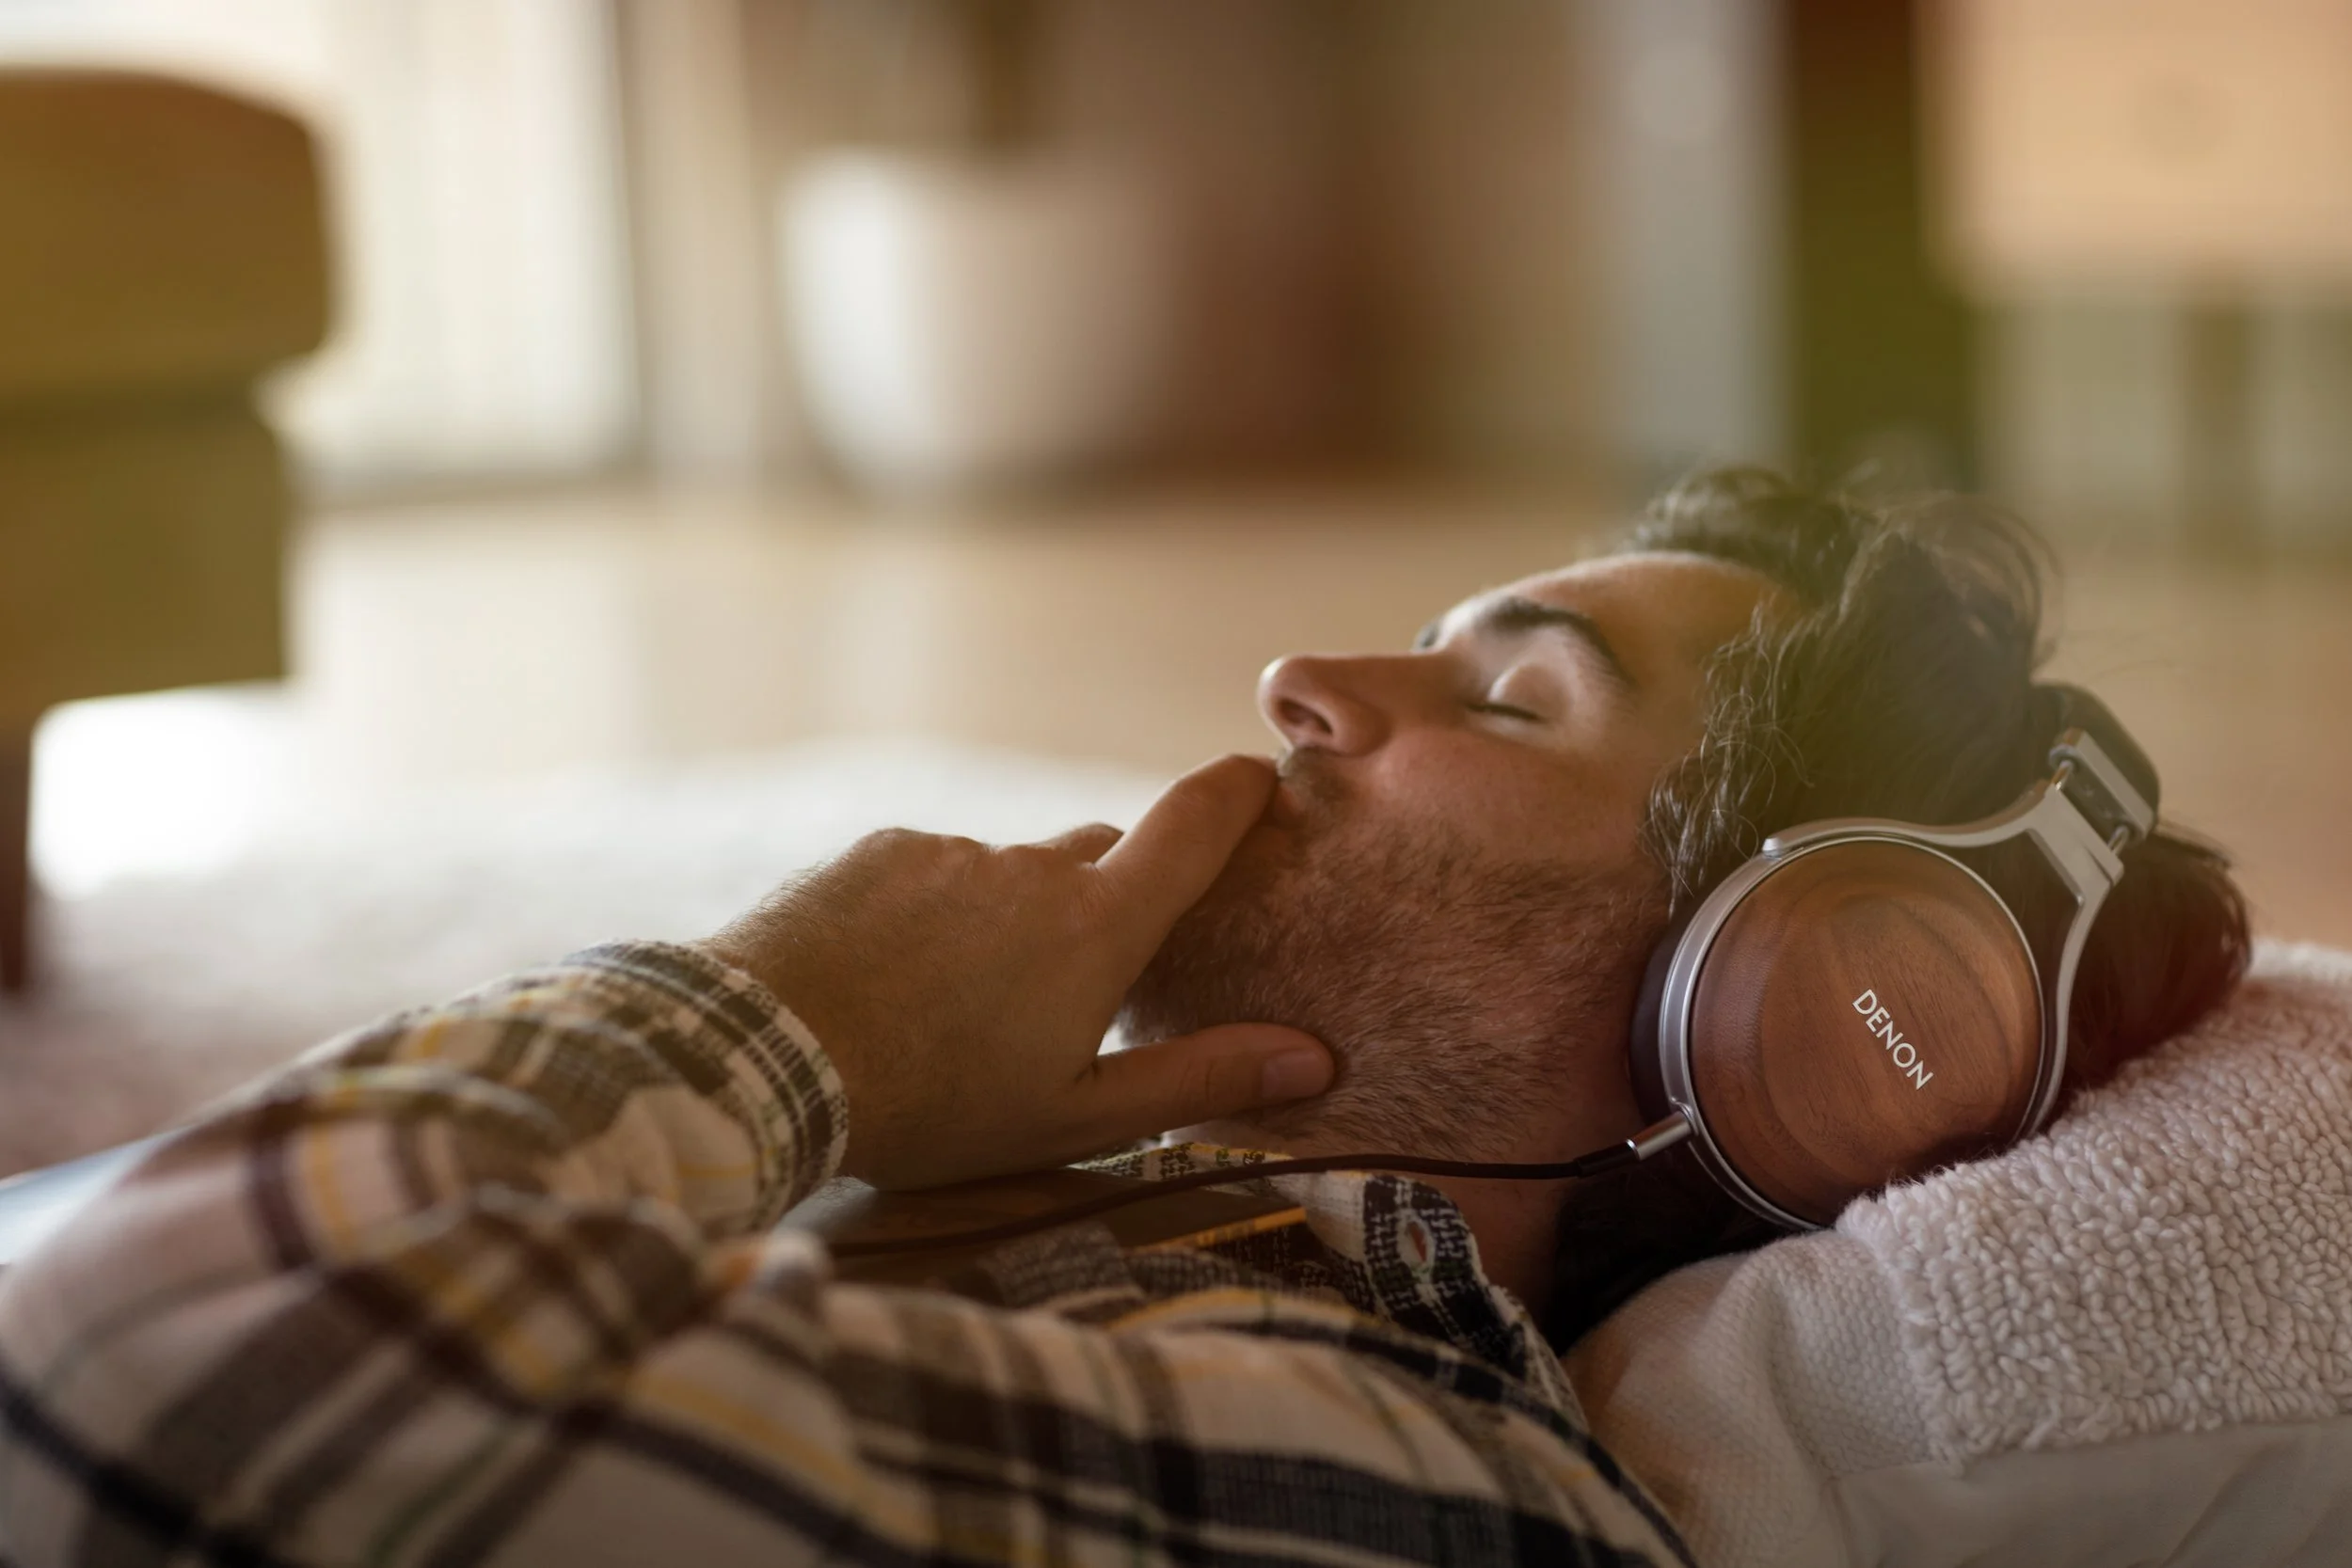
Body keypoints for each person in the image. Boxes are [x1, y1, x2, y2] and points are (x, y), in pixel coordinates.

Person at [0, 470, 2248, 1566]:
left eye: (1505, 697)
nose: (1302, 679)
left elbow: (140, 1375)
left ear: (1770, 1015)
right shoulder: (1016, 1217)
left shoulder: (1421, 1492)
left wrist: (788, 1014)